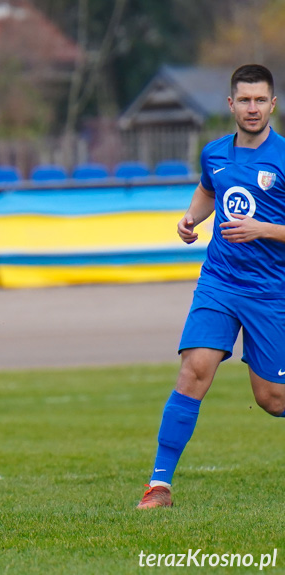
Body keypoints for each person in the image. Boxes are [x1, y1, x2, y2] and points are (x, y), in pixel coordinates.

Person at [137, 64, 285, 508]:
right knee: (193, 372)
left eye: (261, 100)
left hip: (270, 292)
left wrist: (265, 229)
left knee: (273, 399)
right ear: (231, 104)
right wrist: (189, 219)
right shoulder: (215, 153)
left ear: (273, 104)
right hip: (218, 283)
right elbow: (207, 190)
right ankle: (159, 485)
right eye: (245, 100)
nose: (253, 108)